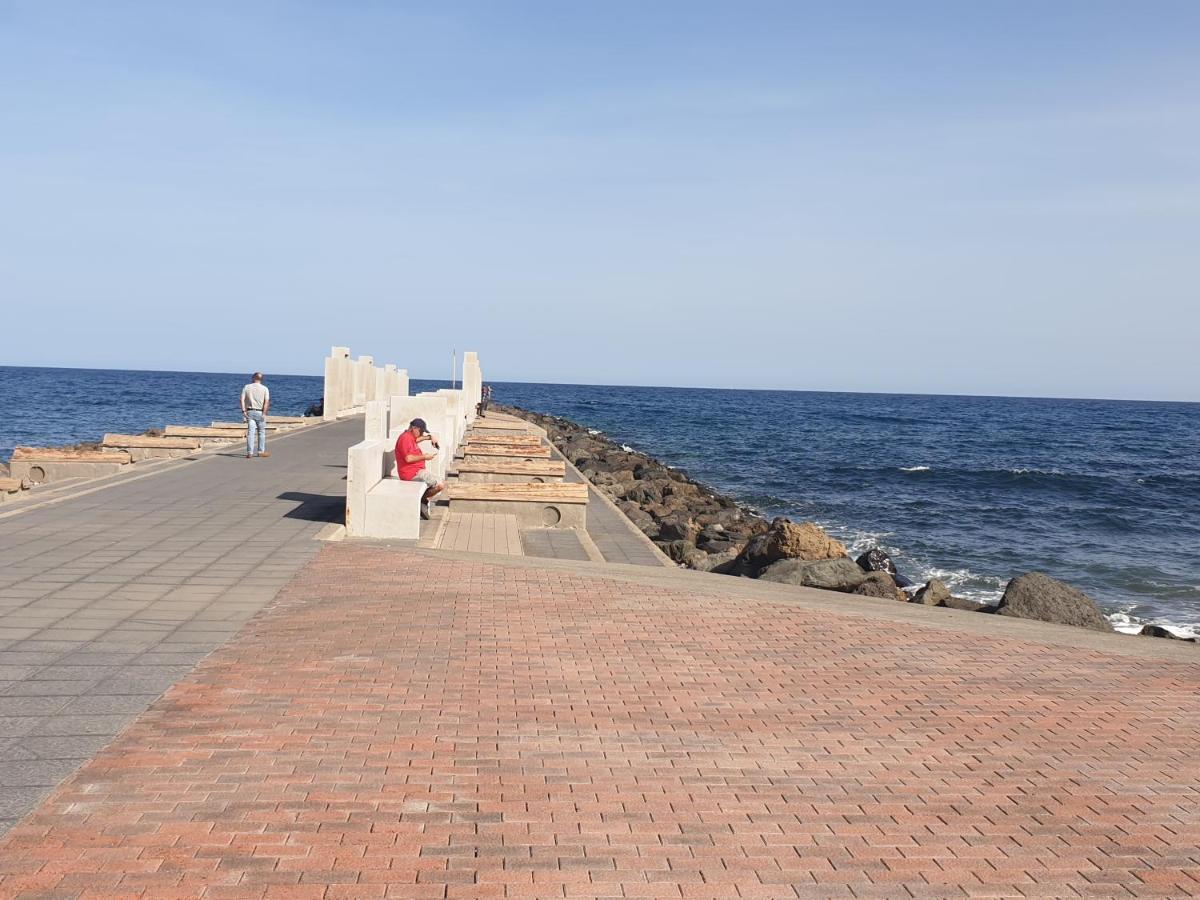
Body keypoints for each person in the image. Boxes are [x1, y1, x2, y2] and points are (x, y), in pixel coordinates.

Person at [395, 417, 445, 519]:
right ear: (414, 428)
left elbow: (416, 439)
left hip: (418, 471)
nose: (422, 434)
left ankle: (422, 500)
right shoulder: (405, 438)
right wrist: (425, 457)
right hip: (411, 473)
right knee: (440, 485)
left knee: (440, 483)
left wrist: (429, 437)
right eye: (421, 431)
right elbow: (408, 459)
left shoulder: (410, 436)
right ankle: (422, 500)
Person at [240, 372, 271, 459]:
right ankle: (260, 451)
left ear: (253, 378)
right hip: (260, 412)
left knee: (251, 433)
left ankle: (250, 452)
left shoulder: (247, 387)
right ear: (261, 379)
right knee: (261, 432)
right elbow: (266, 402)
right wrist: (264, 413)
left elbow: (242, 399)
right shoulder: (265, 389)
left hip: (250, 411)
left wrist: (243, 411)